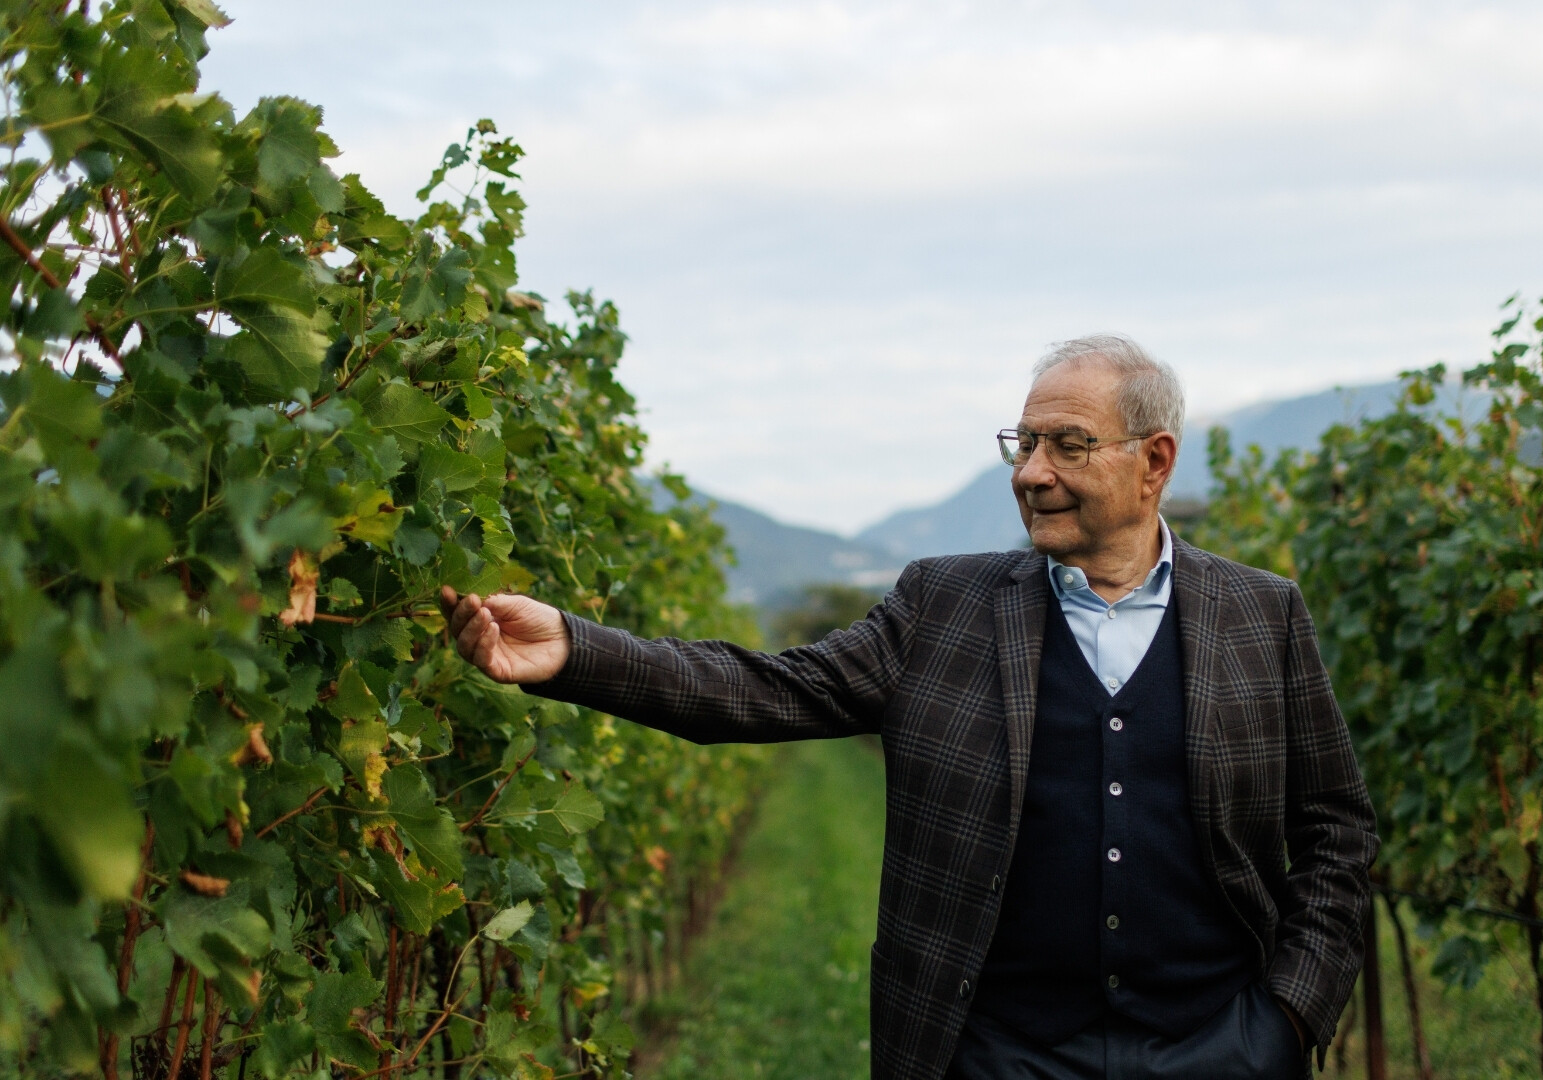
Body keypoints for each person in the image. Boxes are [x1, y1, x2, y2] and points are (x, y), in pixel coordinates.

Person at [440, 334, 1378, 1080]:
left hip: (1218, 1051)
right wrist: (577, 651)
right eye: (1024, 443)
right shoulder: (945, 604)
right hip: (994, 1054)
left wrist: (1289, 1015)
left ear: (1154, 461)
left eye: (1068, 445)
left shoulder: (1262, 614)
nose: (1031, 471)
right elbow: (771, 689)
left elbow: (1336, 828)